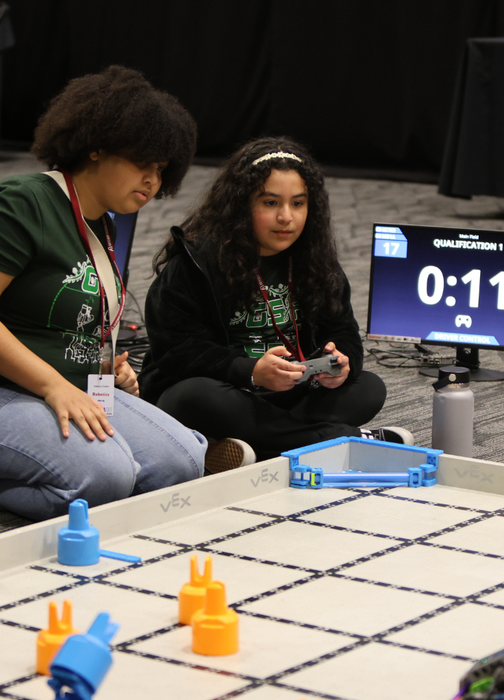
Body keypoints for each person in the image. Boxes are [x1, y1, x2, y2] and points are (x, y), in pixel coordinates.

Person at [0, 65, 207, 521]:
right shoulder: (20, 202)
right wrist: (53, 385)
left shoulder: (104, 226)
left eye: (161, 170)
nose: (152, 180)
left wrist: (103, 368)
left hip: (61, 389)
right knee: (107, 479)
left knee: (182, 464)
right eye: (142, 163)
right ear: (96, 146)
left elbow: (59, 325)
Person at [139, 136, 411, 471]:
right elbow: (177, 350)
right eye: (270, 203)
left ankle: (250, 444)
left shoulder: (315, 259)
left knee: (369, 388)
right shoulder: (197, 261)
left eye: (298, 204)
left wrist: (340, 362)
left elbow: (343, 331)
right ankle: (340, 440)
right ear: (241, 205)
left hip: (291, 390)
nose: (286, 217)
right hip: (228, 389)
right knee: (193, 398)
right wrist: (250, 371)